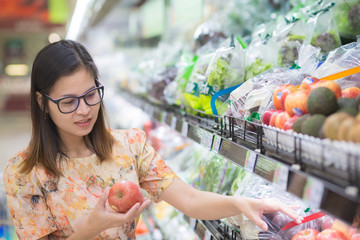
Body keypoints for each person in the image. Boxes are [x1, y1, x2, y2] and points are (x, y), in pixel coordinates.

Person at [3, 40, 302, 240]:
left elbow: (190, 199)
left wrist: (240, 203)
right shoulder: (23, 173)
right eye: (68, 102)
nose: (84, 110)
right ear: (42, 103)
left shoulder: (128, 146)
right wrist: (91, 228)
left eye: (90, 95)